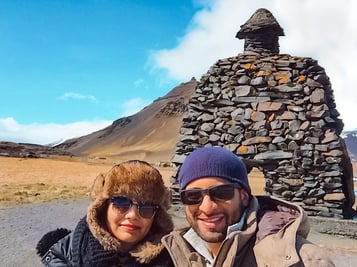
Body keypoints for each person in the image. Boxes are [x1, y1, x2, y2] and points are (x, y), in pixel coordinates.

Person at [162, 146, 335, 267]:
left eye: (222, 193)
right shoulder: (172, 254)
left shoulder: (304, 260)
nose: (207, 207)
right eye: (193, 196)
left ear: (244, 196)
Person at [37, 160, 174, 266]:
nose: (132, 215)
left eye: (146, 207)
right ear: (103, 207)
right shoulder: (62, 257)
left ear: (157, 216)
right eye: (121, 202)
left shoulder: (175, 259)